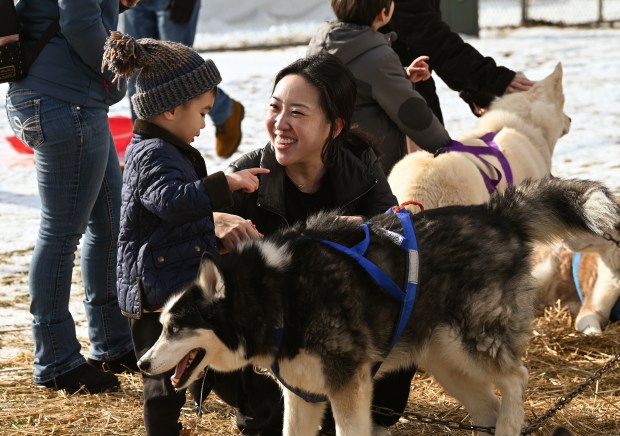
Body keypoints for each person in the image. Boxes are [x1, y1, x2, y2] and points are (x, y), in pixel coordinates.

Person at [210, 52, 414, 436]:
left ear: (334, 127)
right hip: (271, 354)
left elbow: (398, 239)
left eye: (297, 113)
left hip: (339, 341)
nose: (280, 123)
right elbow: (180, 229)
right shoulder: (247, 174)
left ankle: (373, 414)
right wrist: (215, 220)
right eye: (275, 108)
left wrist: (365, 229)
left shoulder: (360, 166)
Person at [101, 31, 268, 435]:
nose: (205, 122)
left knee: (207, 353)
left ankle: (259, 409)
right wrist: (223, 183)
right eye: (203, 111)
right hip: (156, 295)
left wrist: (216, 239)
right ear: (173, 109)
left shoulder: (164, 149)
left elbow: (180, 219)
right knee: (162, 382)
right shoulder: (152, 154)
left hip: (172, 279)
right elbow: (171, 202)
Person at [4, 0, 140, 394]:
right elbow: (79, 21)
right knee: (62, 233)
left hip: (57, 94)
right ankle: (56, 359)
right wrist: (118, 72)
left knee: (110, 221)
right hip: (66, 99)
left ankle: (112, 342)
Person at [307, 0, 451, 175]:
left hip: (324, 160)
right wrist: (448, 148)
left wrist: (402, 75)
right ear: (383, 14)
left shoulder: (321, 42)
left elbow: (353, 80)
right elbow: (413, 113)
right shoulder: (380, 59)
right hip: (367, 169)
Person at [123, 0, 245, 158]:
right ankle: (147, 149)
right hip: (137, 4)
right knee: (136, 76)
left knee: (177, 72)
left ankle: (224, 110)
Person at [384, 0, 534, 122]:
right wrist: (494, 79)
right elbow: (431, 39)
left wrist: (474, 93)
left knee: (435, 150)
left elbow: (429, 48)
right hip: (386, 92)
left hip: (408, 85)